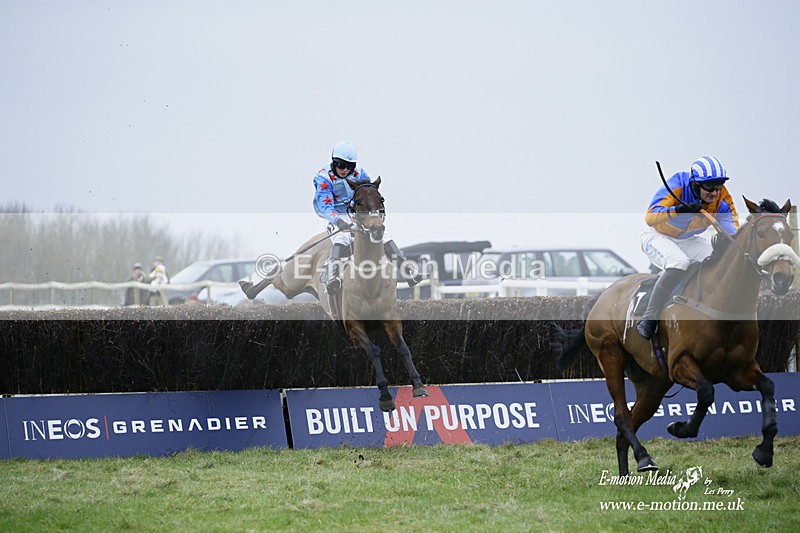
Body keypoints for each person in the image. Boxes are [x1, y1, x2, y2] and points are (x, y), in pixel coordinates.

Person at [635, 155, 740, 340]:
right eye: (709, 186)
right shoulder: (678, 183)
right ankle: (649, 317)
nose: (715, 192)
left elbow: (733, 236)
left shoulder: (723, 200)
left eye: (719, 185)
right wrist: (677, 210)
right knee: (678, 261)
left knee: (715, 259)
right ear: (694, 183)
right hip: (657, 235)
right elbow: (650, 217)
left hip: (687, 240)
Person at [312, 141, 423, 293]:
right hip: (336, 214)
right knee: (342, 238)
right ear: (334, 162)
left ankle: (406, 269)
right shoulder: (323, 178)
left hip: (357, 213)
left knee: (383, 235)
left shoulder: (359, 173)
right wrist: (338, 221)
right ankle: (333, 275)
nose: (345, 170)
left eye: (349, 166)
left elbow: (369, 195)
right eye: (341, 165)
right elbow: (325, 206)